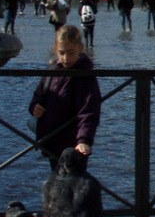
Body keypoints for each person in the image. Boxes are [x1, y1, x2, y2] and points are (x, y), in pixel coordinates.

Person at [28, 25, 101, 171]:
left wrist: (84, 140)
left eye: (70, 53)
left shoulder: (85, 76)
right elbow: (39, 96)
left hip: (73, 143)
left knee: (72, 186)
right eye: (61, 53)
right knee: (57, 184)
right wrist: (35, 107)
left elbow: (89, 112)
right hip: (52, 139)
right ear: (55, 49)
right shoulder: (52, 69)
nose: (65, 58)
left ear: (81, 48)